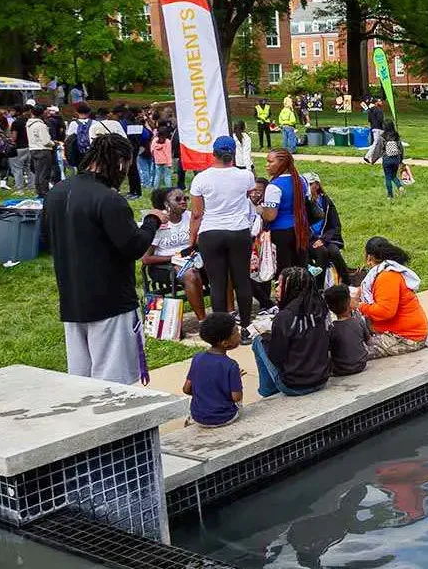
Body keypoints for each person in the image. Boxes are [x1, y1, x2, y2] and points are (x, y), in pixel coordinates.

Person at [46, 133, 161, 385]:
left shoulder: (57, 192)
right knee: (113, 381)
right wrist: (152, 222)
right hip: (111, 301)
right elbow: (133, 246)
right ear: (120, 162)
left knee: (82, 378)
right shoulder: (109, 199)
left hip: (73, 298)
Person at [190, 136, 261, 332]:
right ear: (233, 154)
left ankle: (222, 331)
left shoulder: (200, 178)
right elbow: (248, 196)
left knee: (217, 283)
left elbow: (196, 214)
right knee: (241, 280)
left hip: (210, 232)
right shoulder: (246, 175)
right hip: (238, 231)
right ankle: (246, 326)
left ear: (213, 154)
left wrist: (191, 239)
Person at [253, 266, 330, 397]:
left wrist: (270, 337)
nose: (276, 289)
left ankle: (267, 391)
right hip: (322, 379)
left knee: (258, 341)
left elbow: (276, 358)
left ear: (293, 288)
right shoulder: (321, 309)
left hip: (294, 386)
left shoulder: (284, 317)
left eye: (281, 285)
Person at [141, 187, 207, 323]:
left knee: (220, 264)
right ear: (166, 204)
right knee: (190, 274)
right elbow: (146, 258)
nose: (183, 202)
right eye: (178, 199)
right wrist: (174, 258)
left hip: (191, 259)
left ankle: (226, 314)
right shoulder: (158, 223)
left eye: (185, 198)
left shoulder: (190, 216)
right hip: (163, 266)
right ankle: (203, 321)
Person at [358, 236, 428, 357]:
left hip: (407, 337)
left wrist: (360, 307)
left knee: (353, 353)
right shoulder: (386, 273)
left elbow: (385, 311)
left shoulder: (387, 277)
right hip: (404, 333)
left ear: (369, 257)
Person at [183, 313, 244, 428]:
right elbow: (236, 397)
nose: (239, 334)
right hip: (224, 418)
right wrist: (236, 381)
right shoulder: (231, 365)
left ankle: (191, 418)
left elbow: (186, 389)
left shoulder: (197, 358)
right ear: (225, 343)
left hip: (198, 417)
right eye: (236, 332)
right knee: (239, 405)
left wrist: (205, 392)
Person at [323, 285, 368, 377]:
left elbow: (326, 350)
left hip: (340, 369)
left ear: (330, 308)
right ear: (349, 301)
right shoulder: (358, 322)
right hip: (361, 364)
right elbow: (369, 341)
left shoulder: (331, 329)